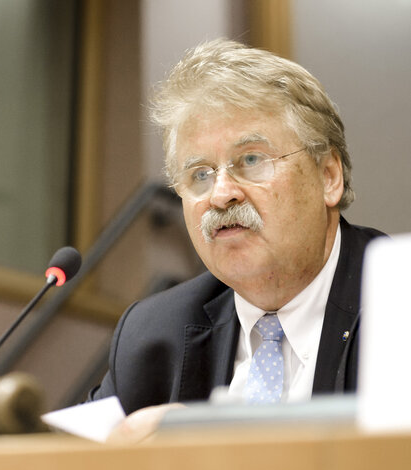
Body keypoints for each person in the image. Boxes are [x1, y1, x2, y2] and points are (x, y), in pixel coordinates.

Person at [89, 38, 385, 442]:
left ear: (328, 176)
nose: (221, 193)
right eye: (200, 174)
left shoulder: (398, 306)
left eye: (251, 160)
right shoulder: (153, 336)